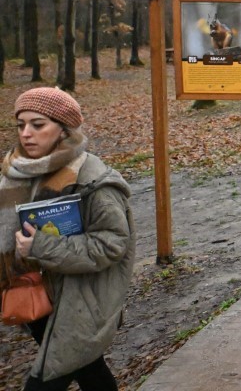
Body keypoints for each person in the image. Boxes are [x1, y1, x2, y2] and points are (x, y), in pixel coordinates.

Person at [4, 87, 135, 390]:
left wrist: (40, 246)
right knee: (89, 369)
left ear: (63, 130)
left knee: (45, 379)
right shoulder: (17, 170)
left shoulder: (93, 180)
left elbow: (112, 244)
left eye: (38, 125)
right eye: (21, 124)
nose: (26, 133)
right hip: (34, 294)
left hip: (79, 300)